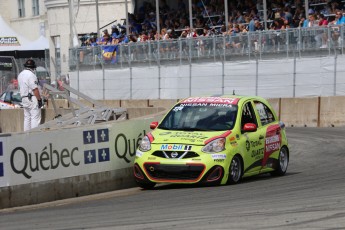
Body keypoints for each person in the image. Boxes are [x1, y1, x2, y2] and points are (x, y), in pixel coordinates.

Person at [18, 59, 44, 131]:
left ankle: (26, 136)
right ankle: (34, 136)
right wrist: (39, 100)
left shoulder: (20, 74)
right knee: (35, 118)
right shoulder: (31, 75)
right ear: (33, 67)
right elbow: (35, 89)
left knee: (27, 118)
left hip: (24, 98)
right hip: (32, 98)